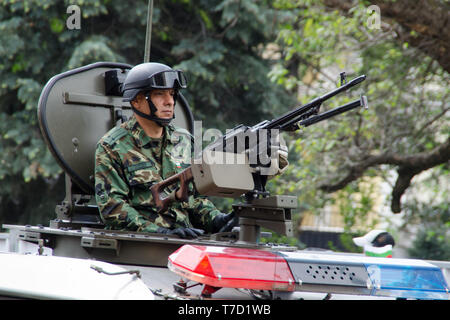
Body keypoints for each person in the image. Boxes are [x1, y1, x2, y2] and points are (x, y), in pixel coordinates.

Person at [94, 62, 236, 239]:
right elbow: (112, 208)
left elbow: (195, 198)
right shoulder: (112, 146)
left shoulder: (183, 140)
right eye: (159, 94)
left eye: (172, 94)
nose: (169, 101)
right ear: (136, 100)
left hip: (185, 241)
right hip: (140, 245)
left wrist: (217, 220)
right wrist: (159, 232)